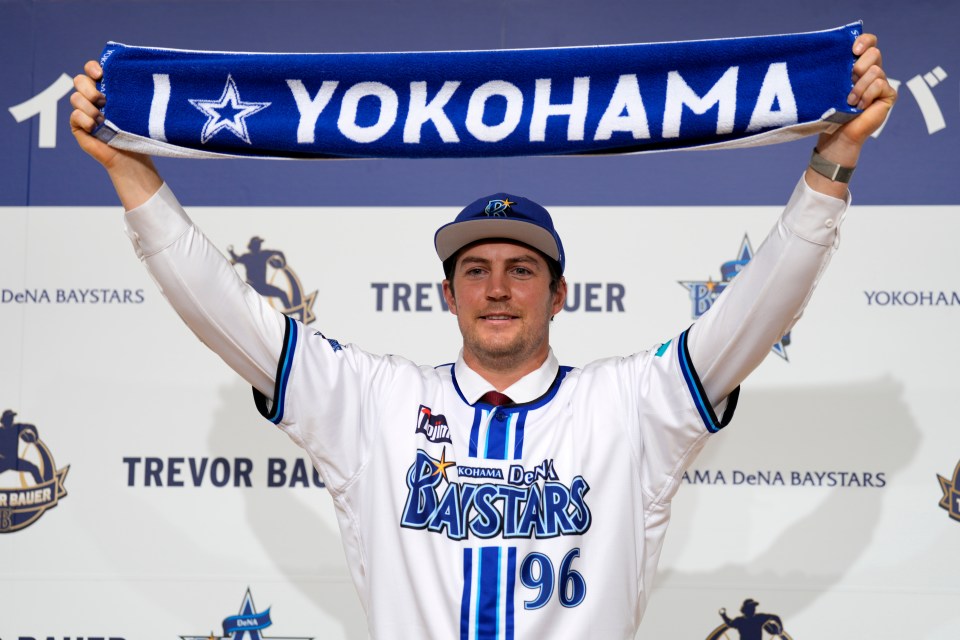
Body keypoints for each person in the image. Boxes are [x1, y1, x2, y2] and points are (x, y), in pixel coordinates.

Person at [70, 34, 895, 639]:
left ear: (559, 293)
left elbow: (759, 304)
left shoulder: (633, 405)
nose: (497, 286)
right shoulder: (371, 402)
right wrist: (130, 171)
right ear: (448, 294)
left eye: (522, 269)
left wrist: (832, 167)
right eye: (475, 270)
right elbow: (224, 307)